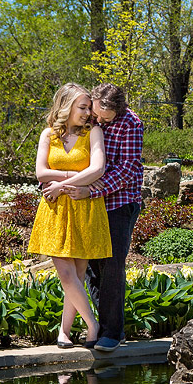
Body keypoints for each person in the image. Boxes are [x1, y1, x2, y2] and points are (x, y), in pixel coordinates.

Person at [27, 83, 112, 348]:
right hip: (55, 210)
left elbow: (98, 168)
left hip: (84, 208)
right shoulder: (48, 135)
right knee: (66, 274)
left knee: (76, 274)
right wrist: (72, 179)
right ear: (66, 106)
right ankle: (92, 324)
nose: (88, 113)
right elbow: (41, 173)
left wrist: (60, 184)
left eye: (89, 108)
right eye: (83, 108)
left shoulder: (94, 132)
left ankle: (64, 332)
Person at [62, 83, 143, 352]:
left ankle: (113, 331)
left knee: (112, 267)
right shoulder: (88, 118)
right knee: (91, 268)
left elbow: (128, 170)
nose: (99, 120)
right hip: (88, 206)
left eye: (107, 118)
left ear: (119, 110)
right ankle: (97, 326)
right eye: (97, 114)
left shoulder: (131, 123)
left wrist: (92, 189)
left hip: (119, 204)